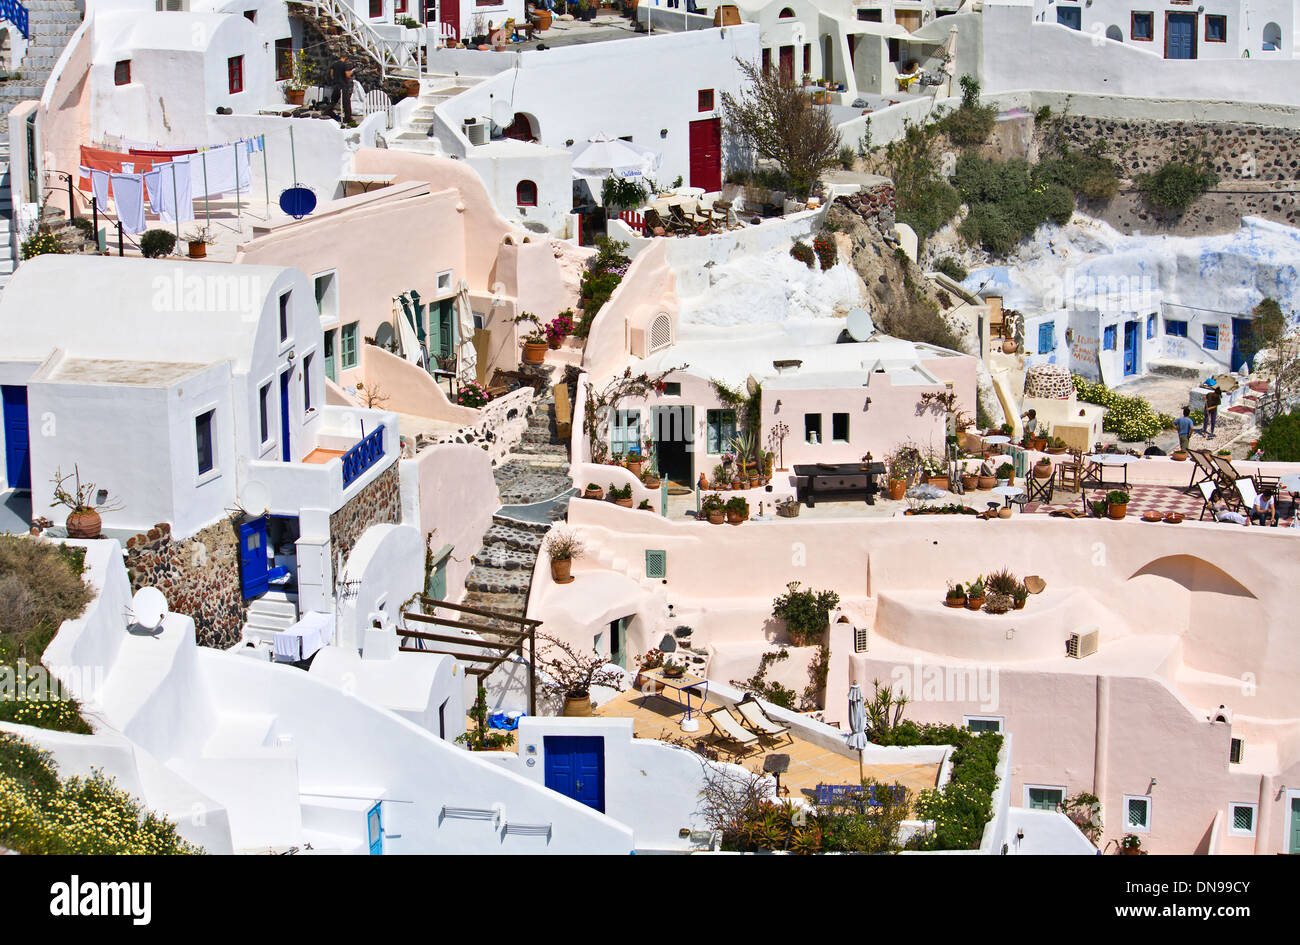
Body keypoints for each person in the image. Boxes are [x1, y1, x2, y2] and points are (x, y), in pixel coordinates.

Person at [327, 54, 354, 125]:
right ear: (345, 58)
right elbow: (347, 75)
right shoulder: (345, 65)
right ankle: (348, 118)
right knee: (346, 102)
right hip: (343, 85)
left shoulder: (334, 64)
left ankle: (327, 112)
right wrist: (351, 72)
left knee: (334, 100)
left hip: (336, 85)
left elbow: (331, 74)